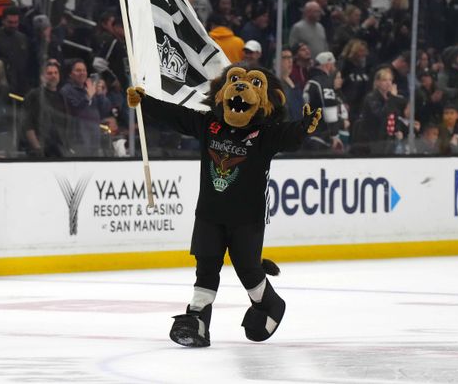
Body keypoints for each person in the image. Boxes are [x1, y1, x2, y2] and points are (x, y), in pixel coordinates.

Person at [126, 64, 322, 347]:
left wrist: (304, 126)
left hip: (247, 218)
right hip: (209, 214)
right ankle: (197, 321)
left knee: (248, 270)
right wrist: (145, 103)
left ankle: (270, 304)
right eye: (236, 81)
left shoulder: (265, 134)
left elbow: (291, 136)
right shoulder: (210, 125)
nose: (242, 88)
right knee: (205, 268)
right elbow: (177, 116)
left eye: (255, 84)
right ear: (220, 93)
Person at [60, 59, 111, 157]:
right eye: (78, 70)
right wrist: (88, 97)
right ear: (70, 74)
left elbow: (105, 111)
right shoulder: (66, 90)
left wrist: (100, 94)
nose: (82, 73)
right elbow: (75, 111)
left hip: (95, 140)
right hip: (77, 141)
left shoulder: (90, 88)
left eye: (84, 70)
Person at [351, 66, 404, 155]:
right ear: (377, 82)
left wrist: (397, 130)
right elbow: (381, 115)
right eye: (384, 80)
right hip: (372, 141)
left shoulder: (391, 98)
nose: (388, 83)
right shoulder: (371, 98)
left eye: (390, 80)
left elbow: (394, 116)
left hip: (388, 140)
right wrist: (392, 98)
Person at [22, 60, 70, 157]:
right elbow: (28, 124)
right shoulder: (34, 95)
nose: (53, 76)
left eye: (56, 73)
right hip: (41, 151)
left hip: (59, 150)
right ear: (42, 77)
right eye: (49, 73)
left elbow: (65, 124)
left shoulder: (62, 97)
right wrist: (37, 147)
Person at [0, 6, 30, 95]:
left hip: (20, 85)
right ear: (3, 21)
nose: (13, 25)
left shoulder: (23, 39)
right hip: (0, 87)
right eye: (10, 22)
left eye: (16, 22)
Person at [303, 51, 343, 152]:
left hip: (308, 133)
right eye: (333, 64)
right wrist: (335, 135)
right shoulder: (324, 82)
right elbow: (330, 111)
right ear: (328, 64)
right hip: (320, 137)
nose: (334, 67)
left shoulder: (311, 82)